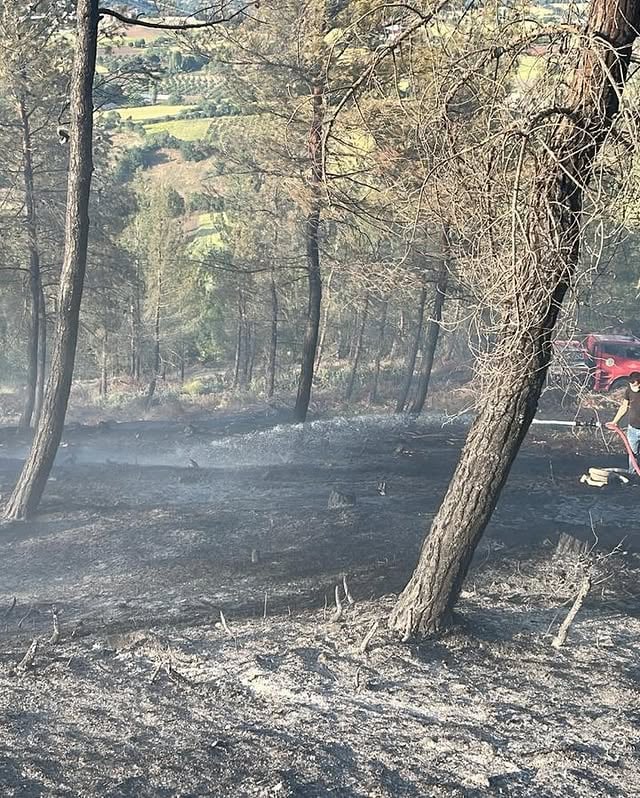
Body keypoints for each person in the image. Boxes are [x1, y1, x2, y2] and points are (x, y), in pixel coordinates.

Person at [606, 371, 640, 474]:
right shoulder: (629, 391)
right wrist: (614, 421)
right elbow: (624, 407)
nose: (635, 388)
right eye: (633, 385)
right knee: (632, 454)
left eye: (637, 386)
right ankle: (633, 475)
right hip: (633, 429)